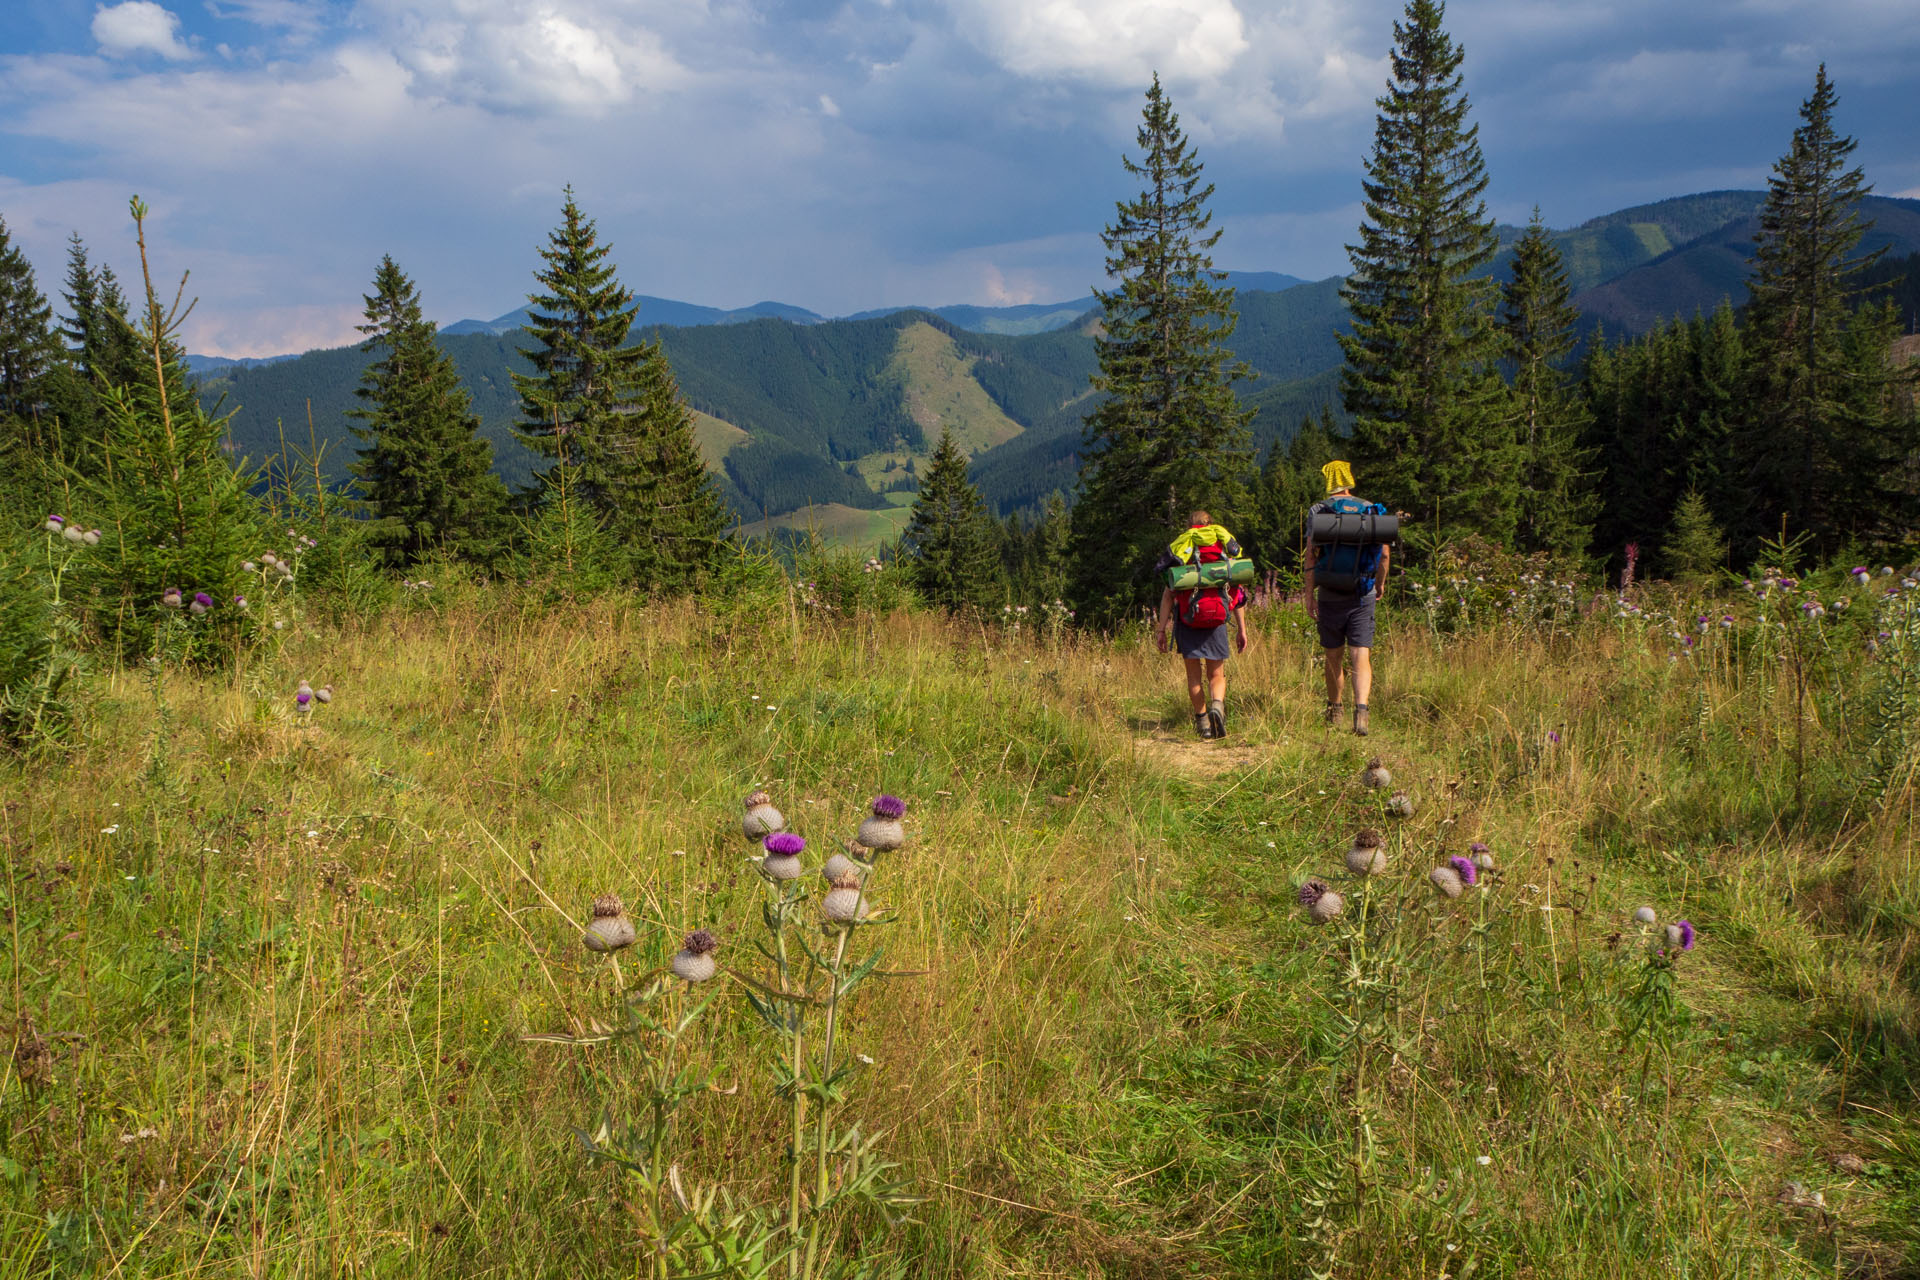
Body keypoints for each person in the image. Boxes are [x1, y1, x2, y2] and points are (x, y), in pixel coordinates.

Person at [1303, 461, 1389, 736]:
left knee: (1333, 656)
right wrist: (1379, 584)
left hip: (1329, 592)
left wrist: (1309, 594)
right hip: (1362, 591)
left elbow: (1310, 556)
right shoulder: (1370, 509)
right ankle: (1361, 712)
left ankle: (1334, 709)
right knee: (1360, 653)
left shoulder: (1319, 511)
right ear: (1349, 480)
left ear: (1328, 481)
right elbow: (1384, 554)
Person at [1154, 511, 1252, 740]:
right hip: (1217, 620)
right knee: (1216, 675)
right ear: (1210, 524)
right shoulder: (1221, 547)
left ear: (1190, 525)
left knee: (1194, 677)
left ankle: (1203, 724)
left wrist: (1161, 630)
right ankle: (1217, 706)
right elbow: (1237, 595)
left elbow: (1169, 594)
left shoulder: (1184, 545)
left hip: (1188, 619)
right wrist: (1242, 629)